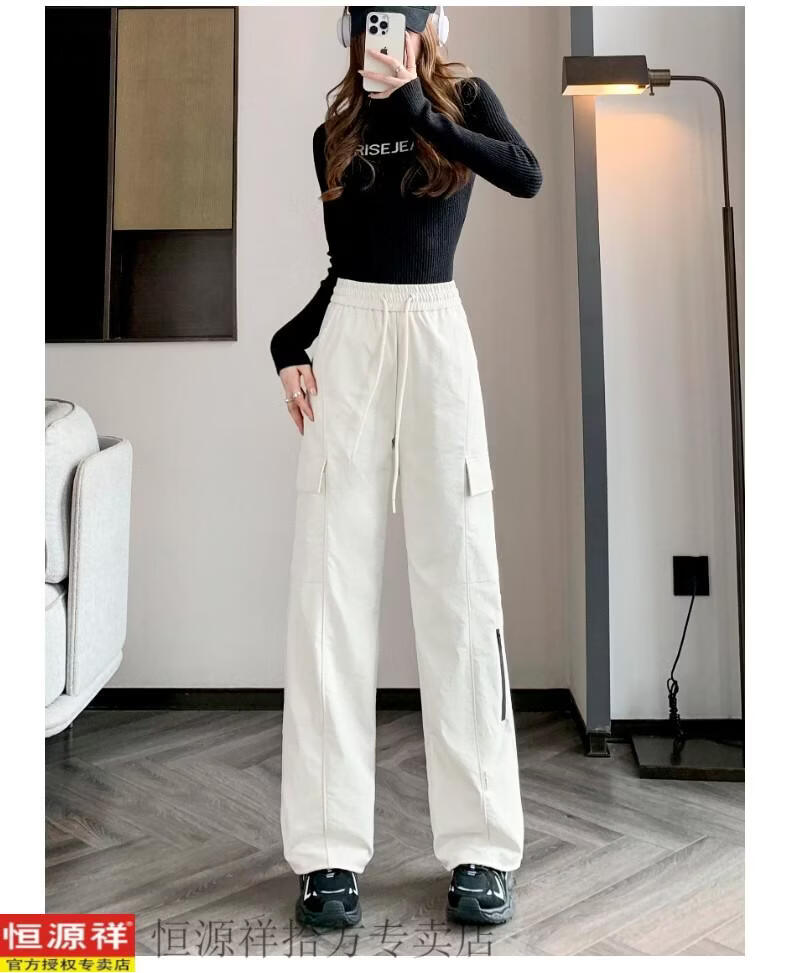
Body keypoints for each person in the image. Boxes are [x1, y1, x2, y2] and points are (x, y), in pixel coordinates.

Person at [270, 5, 542, 929]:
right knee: (329, 596)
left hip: (436, 335)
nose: (383, 33)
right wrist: (288, 343)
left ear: (433, 23)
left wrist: (423, 111)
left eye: (400, 16)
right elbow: (345, 269)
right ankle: (326, 854)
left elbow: (526, 174)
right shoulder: (334, 133)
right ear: (350, 31)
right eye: (369, 19)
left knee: (462, 589)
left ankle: (482, 848)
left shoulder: (464, 101)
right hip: (351, 341)